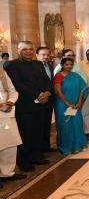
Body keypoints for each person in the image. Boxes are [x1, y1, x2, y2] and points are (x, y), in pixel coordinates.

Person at [5, 41, 51, 172]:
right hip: (24, 106)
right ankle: (23, 161)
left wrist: (47, 92)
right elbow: (18, 85)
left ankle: (35, 156)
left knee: (38, 131)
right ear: (18, 50)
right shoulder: (12, 65)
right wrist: (37, 95)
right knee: (25, 134)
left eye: (31, 49)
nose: (28, 51)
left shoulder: (38, 63)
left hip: (41, 104)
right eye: (25, 49)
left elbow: (47, 80)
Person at [54, 58, 89, 154]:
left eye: (71, 65)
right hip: (62, 104)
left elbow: (82, 89)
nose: (69, 66)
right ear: (62, 65)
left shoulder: (76, 76)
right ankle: (66, 147)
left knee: (77, 124)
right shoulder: (58, 76)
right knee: (65, 126)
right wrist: (66, 103)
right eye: (66, 64)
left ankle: (78, 145)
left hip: (75, 105)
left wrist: (79, 102)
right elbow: (58, 90)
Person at [0, 67, 26, 187]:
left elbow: (12, 90)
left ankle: (7, 173)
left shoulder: (2, 71)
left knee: (10, 143)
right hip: (2, 107)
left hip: (7, 110)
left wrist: (10, 102)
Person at [36, 47, 57, 152]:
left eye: (47, 55)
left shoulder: (49, 66)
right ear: (37, 55)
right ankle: (39, 149)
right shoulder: (34, 67)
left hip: (49, 100)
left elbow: (51, 82)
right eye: (43, 54)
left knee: (47, 125)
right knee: (38, 126)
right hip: (38, 100)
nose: (46, 57)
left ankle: (46, 146)